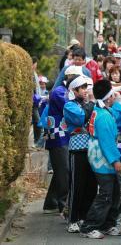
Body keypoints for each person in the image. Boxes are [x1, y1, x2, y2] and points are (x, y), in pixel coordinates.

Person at [80, 80, 121, 239]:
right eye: (112, 94)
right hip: (103, 158)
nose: (114, 96)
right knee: (106, 194)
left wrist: (117, 103)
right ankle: (89, 226)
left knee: (114, 192)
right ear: (108, 97)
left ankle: (107, 224)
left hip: (100, 155)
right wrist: (115, 160)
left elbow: (119, 116)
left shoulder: (102, 110)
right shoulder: (103, 115)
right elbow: (106, 141)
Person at [63, 75, 97, 233]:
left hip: (91, 148)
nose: (85, 91)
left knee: (90, 185)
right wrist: (90, 102)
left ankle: (84, 215)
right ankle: (72, 219)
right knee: (77, 184)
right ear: (74, 90)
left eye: (86, 88)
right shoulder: (69, 105)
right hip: (77, 148)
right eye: (82, 88)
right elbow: (80, 118)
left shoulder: (87, 104)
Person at [42, 69, 70, 216]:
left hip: (64, 135)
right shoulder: (60, 92)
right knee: (64, 170)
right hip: (58, 136)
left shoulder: (64, 90)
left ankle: (51, 203)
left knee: (61, 170)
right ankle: (64, 206)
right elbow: (69, 107)